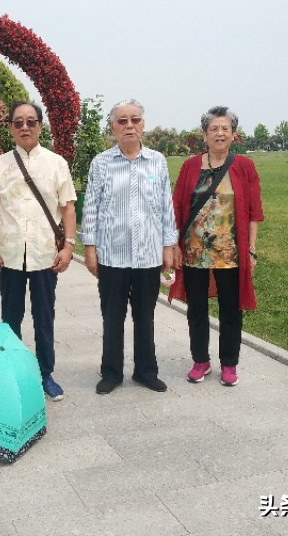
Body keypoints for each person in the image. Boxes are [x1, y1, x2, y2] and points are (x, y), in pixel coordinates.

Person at [0, 101, 77, 401]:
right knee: (10, 317)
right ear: (10, 127)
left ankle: (45, 372)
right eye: (19, 122)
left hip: (45, 254)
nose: (25, 127)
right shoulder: (0, 164)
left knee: (44, 316)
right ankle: (13, 371)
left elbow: (68, 207)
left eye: (31, 122)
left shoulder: (56, 163)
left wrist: (69, 245)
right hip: (9, 255)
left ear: (40, 126)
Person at [80, 99, 177, 395]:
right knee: (112, 316)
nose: (129, 125)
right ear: (113, 127)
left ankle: (146, 371)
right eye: (122, 121)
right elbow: (92, 208)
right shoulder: (101, 163)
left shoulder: (157, 161)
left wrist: (168, 245)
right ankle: (111, 372)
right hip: (112, 254)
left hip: (148, 254)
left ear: (143, 124)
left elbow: (165, 207)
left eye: (135, 119)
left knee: (144, 316)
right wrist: (90, 248)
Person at [169, 106, 264, 387]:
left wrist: (252, 249)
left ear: (233, 134)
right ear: (205, 135)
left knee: (230, 310)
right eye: (214, 129)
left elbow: (253, 211)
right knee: (196, 310)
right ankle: (200, 361)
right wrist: (174, 245)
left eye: (225, 129)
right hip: (194, 252)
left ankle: (229, 365)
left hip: (230, 254)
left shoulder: (244, 166)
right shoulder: (190, 166)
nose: (219, 133)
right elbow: (176, 208)